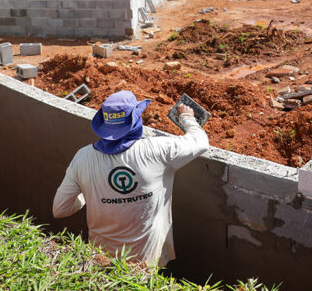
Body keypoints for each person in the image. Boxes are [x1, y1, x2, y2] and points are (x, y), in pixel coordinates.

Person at [52, 90, 209, 266]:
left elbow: (60, 209)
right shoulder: (157, 150)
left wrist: (88, 194)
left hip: (101, 261)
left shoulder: (82, 157)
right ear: (135, 121)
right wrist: (186, 117)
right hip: (149, 263)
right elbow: (200, 142)